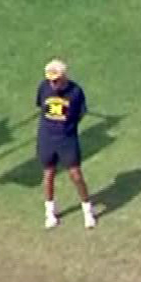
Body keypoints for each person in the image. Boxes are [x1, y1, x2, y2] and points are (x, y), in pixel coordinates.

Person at [35, 58, 98, 229]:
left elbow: (81, 113)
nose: (52, 83)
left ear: (64, 77)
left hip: (67, 139)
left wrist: (68, 127)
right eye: (50, 80)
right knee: (48, 174)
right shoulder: (43, 87)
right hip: (46, 138)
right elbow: (41, 106)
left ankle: (87, 210)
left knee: (76, 175)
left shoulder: (75, 92)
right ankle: (49, 213)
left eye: (56, 80)